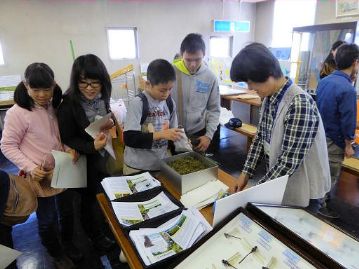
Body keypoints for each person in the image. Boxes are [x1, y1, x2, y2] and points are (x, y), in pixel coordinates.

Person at [230, 43, 331, 210]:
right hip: (281, 183)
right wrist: (245, 174)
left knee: (295, 232)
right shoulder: (269, 98)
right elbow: (260, 138)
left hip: (305, 189)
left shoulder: (299, 104)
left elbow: (288, 162)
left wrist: (253, 193)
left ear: (268, 74)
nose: (249, 88)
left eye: (250, 82)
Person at [0, 63, 79, 268]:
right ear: (26, 86)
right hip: (40, 174)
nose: (42, 95)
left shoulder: (55, 104)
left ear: (54, 85)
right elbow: (7, 145)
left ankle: (69, 244)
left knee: (68, 211)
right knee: (47, 219)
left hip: (63, 166)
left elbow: (60, 133)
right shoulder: (17, 112)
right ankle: (56, 253)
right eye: (36, 90)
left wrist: (69, 147)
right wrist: (29, 166)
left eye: (47, 89)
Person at [57, 54, 115, 260]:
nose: (90, 88)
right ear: (76, 81)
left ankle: (101, 229)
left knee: (99, 195)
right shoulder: (68, 104)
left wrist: (108, 125)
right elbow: (68, 137)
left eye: (95, 82)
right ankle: (95, 236)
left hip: (99, 155)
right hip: (80, 161)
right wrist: (91, 145)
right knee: (85, 202)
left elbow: (101, 120)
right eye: (84, 82)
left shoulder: (103, 97)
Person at [316, 43, 358, 218]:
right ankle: (319, 207)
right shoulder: (347, 89)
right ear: (355, 62)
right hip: (335, 140)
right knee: (330, 175)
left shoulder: (324, 81)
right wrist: (349, 144)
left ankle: (317, 201)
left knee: (319, 170)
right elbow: (348, 121)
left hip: (319, 136)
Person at [123, 59, 182, 175]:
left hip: (160, 165)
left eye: (170, 89)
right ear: (148, 84)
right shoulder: (138, 103)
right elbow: (129, 138)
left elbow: (173, 132)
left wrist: (182, 140)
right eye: (162, 90)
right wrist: (160, 134)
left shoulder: (170, 103)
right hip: (136, 168)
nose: (167, 94)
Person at [172, 33, 220, 153]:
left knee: (197, 167)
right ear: (181, 54)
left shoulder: (210, 77)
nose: (192, 64)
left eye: (197, 59)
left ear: (204, 54)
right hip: (173, 133)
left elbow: (214, 109)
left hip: (198, 133)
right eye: (188, 59)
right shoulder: (171, 73)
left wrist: (208, 135)